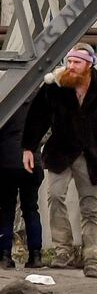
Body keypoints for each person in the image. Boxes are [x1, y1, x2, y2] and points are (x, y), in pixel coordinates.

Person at [21, 43, 97, 278]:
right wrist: (28, 147)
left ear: (89, 65)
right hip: (60, 152)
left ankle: (92, 256)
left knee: (90, 207)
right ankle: (63, 251)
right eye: (69, 61)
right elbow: (37, 117)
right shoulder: (56, 85)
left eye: (76, 63)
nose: (71, 66)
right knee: (55, 197)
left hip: (91, 154)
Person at [0, 103, 43, 269]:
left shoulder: (6, 96)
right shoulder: (38, 100)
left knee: (6, 209)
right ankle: (35, 255)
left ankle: (4, 255)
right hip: (32, 163)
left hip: (6, 161)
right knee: (31, 208)